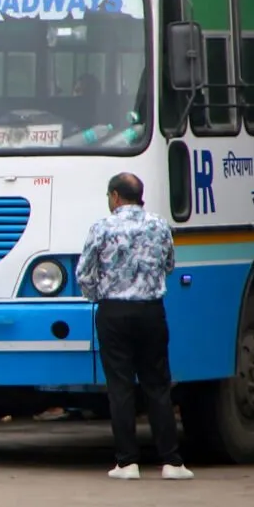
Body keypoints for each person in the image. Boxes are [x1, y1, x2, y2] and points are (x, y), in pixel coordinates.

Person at [79, 172, 189, 481]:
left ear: (115, 196)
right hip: (151, 311)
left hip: (113, 312)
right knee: (157, 384)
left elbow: (85, 272)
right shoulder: (158, 225)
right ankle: (172, 462)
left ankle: (127, 462)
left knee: (120, 386)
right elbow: (169, 264)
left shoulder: (101, 227)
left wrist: (98, 296)